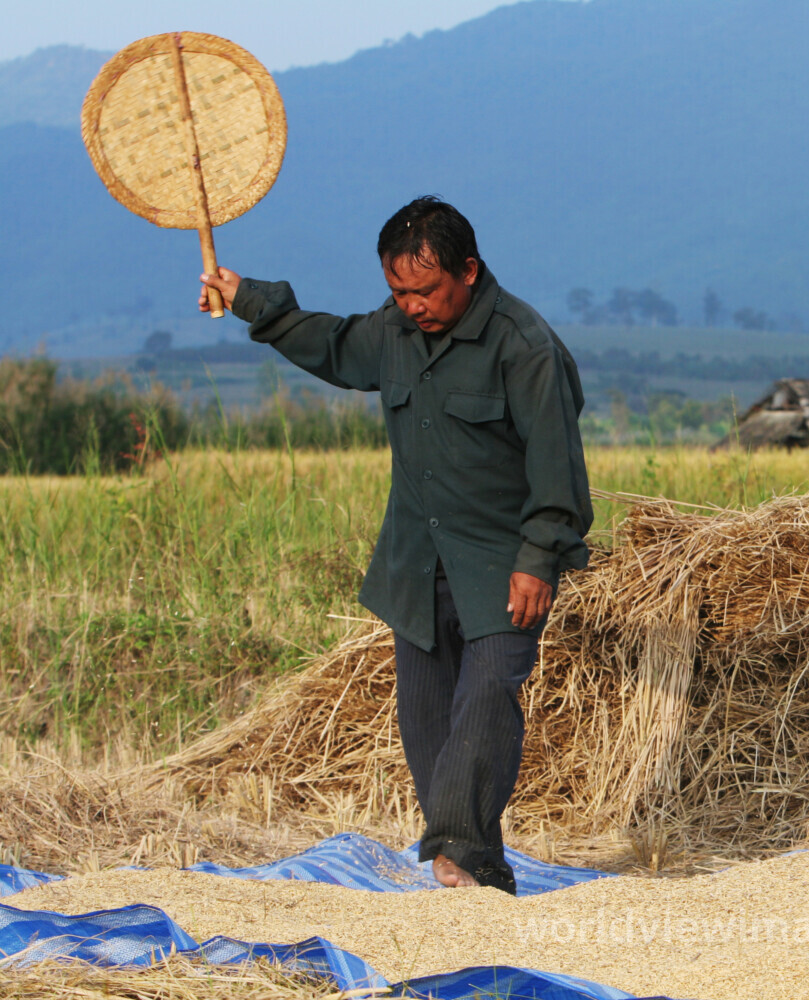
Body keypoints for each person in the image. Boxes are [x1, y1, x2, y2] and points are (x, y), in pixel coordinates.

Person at [200, 196, 592, 893]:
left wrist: (540, 558)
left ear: (468, 270)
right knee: (428, 728)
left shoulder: (523, 346)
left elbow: (556, 466)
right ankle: (482, 878)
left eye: (425, 290)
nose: (411, 305)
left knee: (484, 707)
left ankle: (454, 858)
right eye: (398, 292)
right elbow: (334, 345)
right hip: (416, 564)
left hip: (503, 568)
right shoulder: (398, 330)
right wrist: (249, 300)